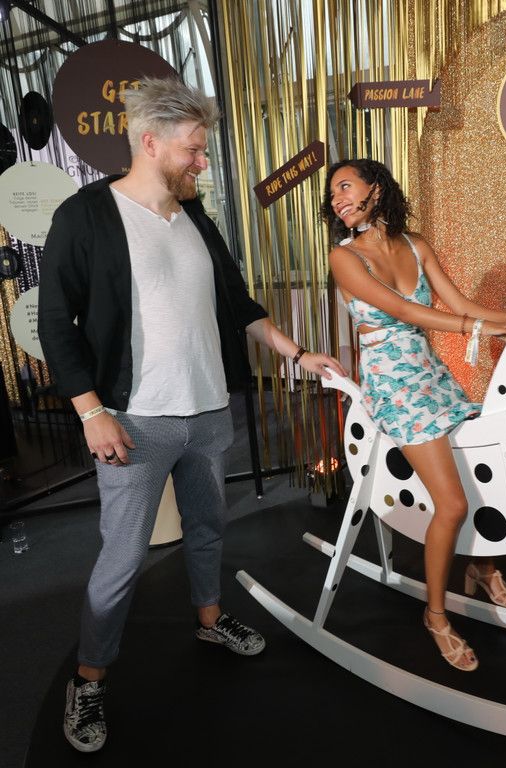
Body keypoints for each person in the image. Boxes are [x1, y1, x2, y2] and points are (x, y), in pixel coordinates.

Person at [37, 76, 345, 754]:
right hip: (135, 422)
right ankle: (88, 677)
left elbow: (238, 302)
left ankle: (209, 620)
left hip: (208, 412)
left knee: (208, 529)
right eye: (193, 150)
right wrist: (90, 413)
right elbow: (56, 323)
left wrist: (298, 353)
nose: (202, 163)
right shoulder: (87, 217)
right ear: (150, 143)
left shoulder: (196, 217)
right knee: (122, 558)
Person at [321, 158, 506, 672]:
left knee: (486, 472)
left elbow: (459, 302)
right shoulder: (343, 257)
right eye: (332, 194)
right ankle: (436, 615)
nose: (337, 199)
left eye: (345, 186)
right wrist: (478, 331)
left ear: (376, 189)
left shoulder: (416, 245)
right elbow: (404, 311)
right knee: (454, 504)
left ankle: (481, 566)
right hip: (393, 385)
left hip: (432, 375)